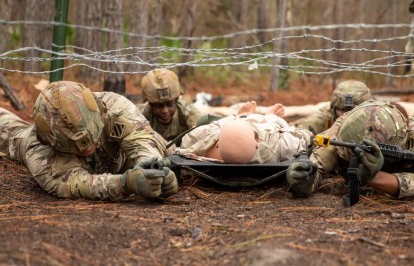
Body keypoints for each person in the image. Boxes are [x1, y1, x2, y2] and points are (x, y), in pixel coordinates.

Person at [0, 81, 178, 201]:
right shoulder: (40, 154)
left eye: (91, 137)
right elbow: (80, 184)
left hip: (121, 159)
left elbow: (141, 138)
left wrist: (151, 167)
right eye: (76, 146)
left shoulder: (113, 106)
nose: (88, 148)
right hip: (18, 137)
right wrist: (125, 184)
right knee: (7, 129)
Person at [286, 100, 414, 199]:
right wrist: (302, 181)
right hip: (375, 120)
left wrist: (376, 178)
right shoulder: (341, 135)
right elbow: (316, 167)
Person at [177, 100, 312, 164]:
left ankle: (241, 116)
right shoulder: (277, 146)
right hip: (261, 128)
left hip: (225, 126)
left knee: (217, 126)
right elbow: (301, 137)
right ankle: (259, 116)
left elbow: (187, 139)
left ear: (217, 143)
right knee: (275, 124)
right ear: (256, 143)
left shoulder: (203, 143)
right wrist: (306, 134)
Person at [137, 68, 201, 145]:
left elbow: (203, 132)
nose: (165, 111)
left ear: (176, 101)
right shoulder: (140, 116)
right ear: (150, 104)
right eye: (159, 106)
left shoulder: (188, 111)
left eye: (169, 105)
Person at [292, 80, 372, 135]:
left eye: (353, 112)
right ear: (334, 109)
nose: (346, 116)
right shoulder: (325, 118)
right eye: (343, 111)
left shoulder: (375, 120)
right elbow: (296, 133)